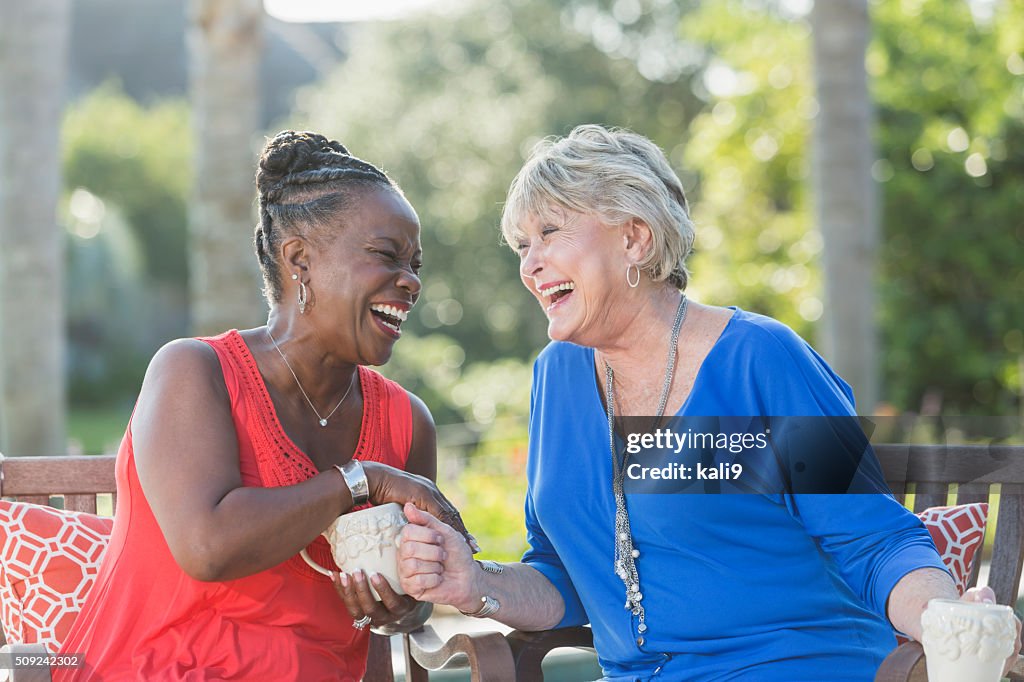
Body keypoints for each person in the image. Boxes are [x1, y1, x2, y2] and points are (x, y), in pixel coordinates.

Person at [395, 124, 1022, 680]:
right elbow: (562, 574)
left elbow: (874, 541)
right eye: (522, 246)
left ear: (635, 238)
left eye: (549, 233)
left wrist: (944, 616)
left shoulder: (760, 360)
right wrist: (475, 584)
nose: (531, 265)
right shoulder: (556, 377)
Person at [55, 131, 474, 681]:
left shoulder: (405, 421)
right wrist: (360, 480)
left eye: (416, 264)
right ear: (299, 258)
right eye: (386, 256)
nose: (411, 281)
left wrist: (404, 603)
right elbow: (208, 547)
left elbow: (418, 593)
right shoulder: (194, 371)